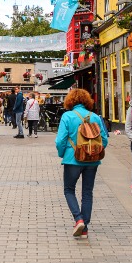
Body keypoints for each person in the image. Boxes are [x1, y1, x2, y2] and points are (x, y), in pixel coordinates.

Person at [55, 88, 109, 239]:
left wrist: (63, 154)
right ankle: (85, 227)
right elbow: (104, 139)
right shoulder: (95, 117)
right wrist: (95, 151)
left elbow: (60, 140)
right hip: (92, 160)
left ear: (70, 101)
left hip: (72, 159)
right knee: (87, 192)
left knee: (69, 190)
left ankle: (78, 219)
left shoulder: (67, 116)